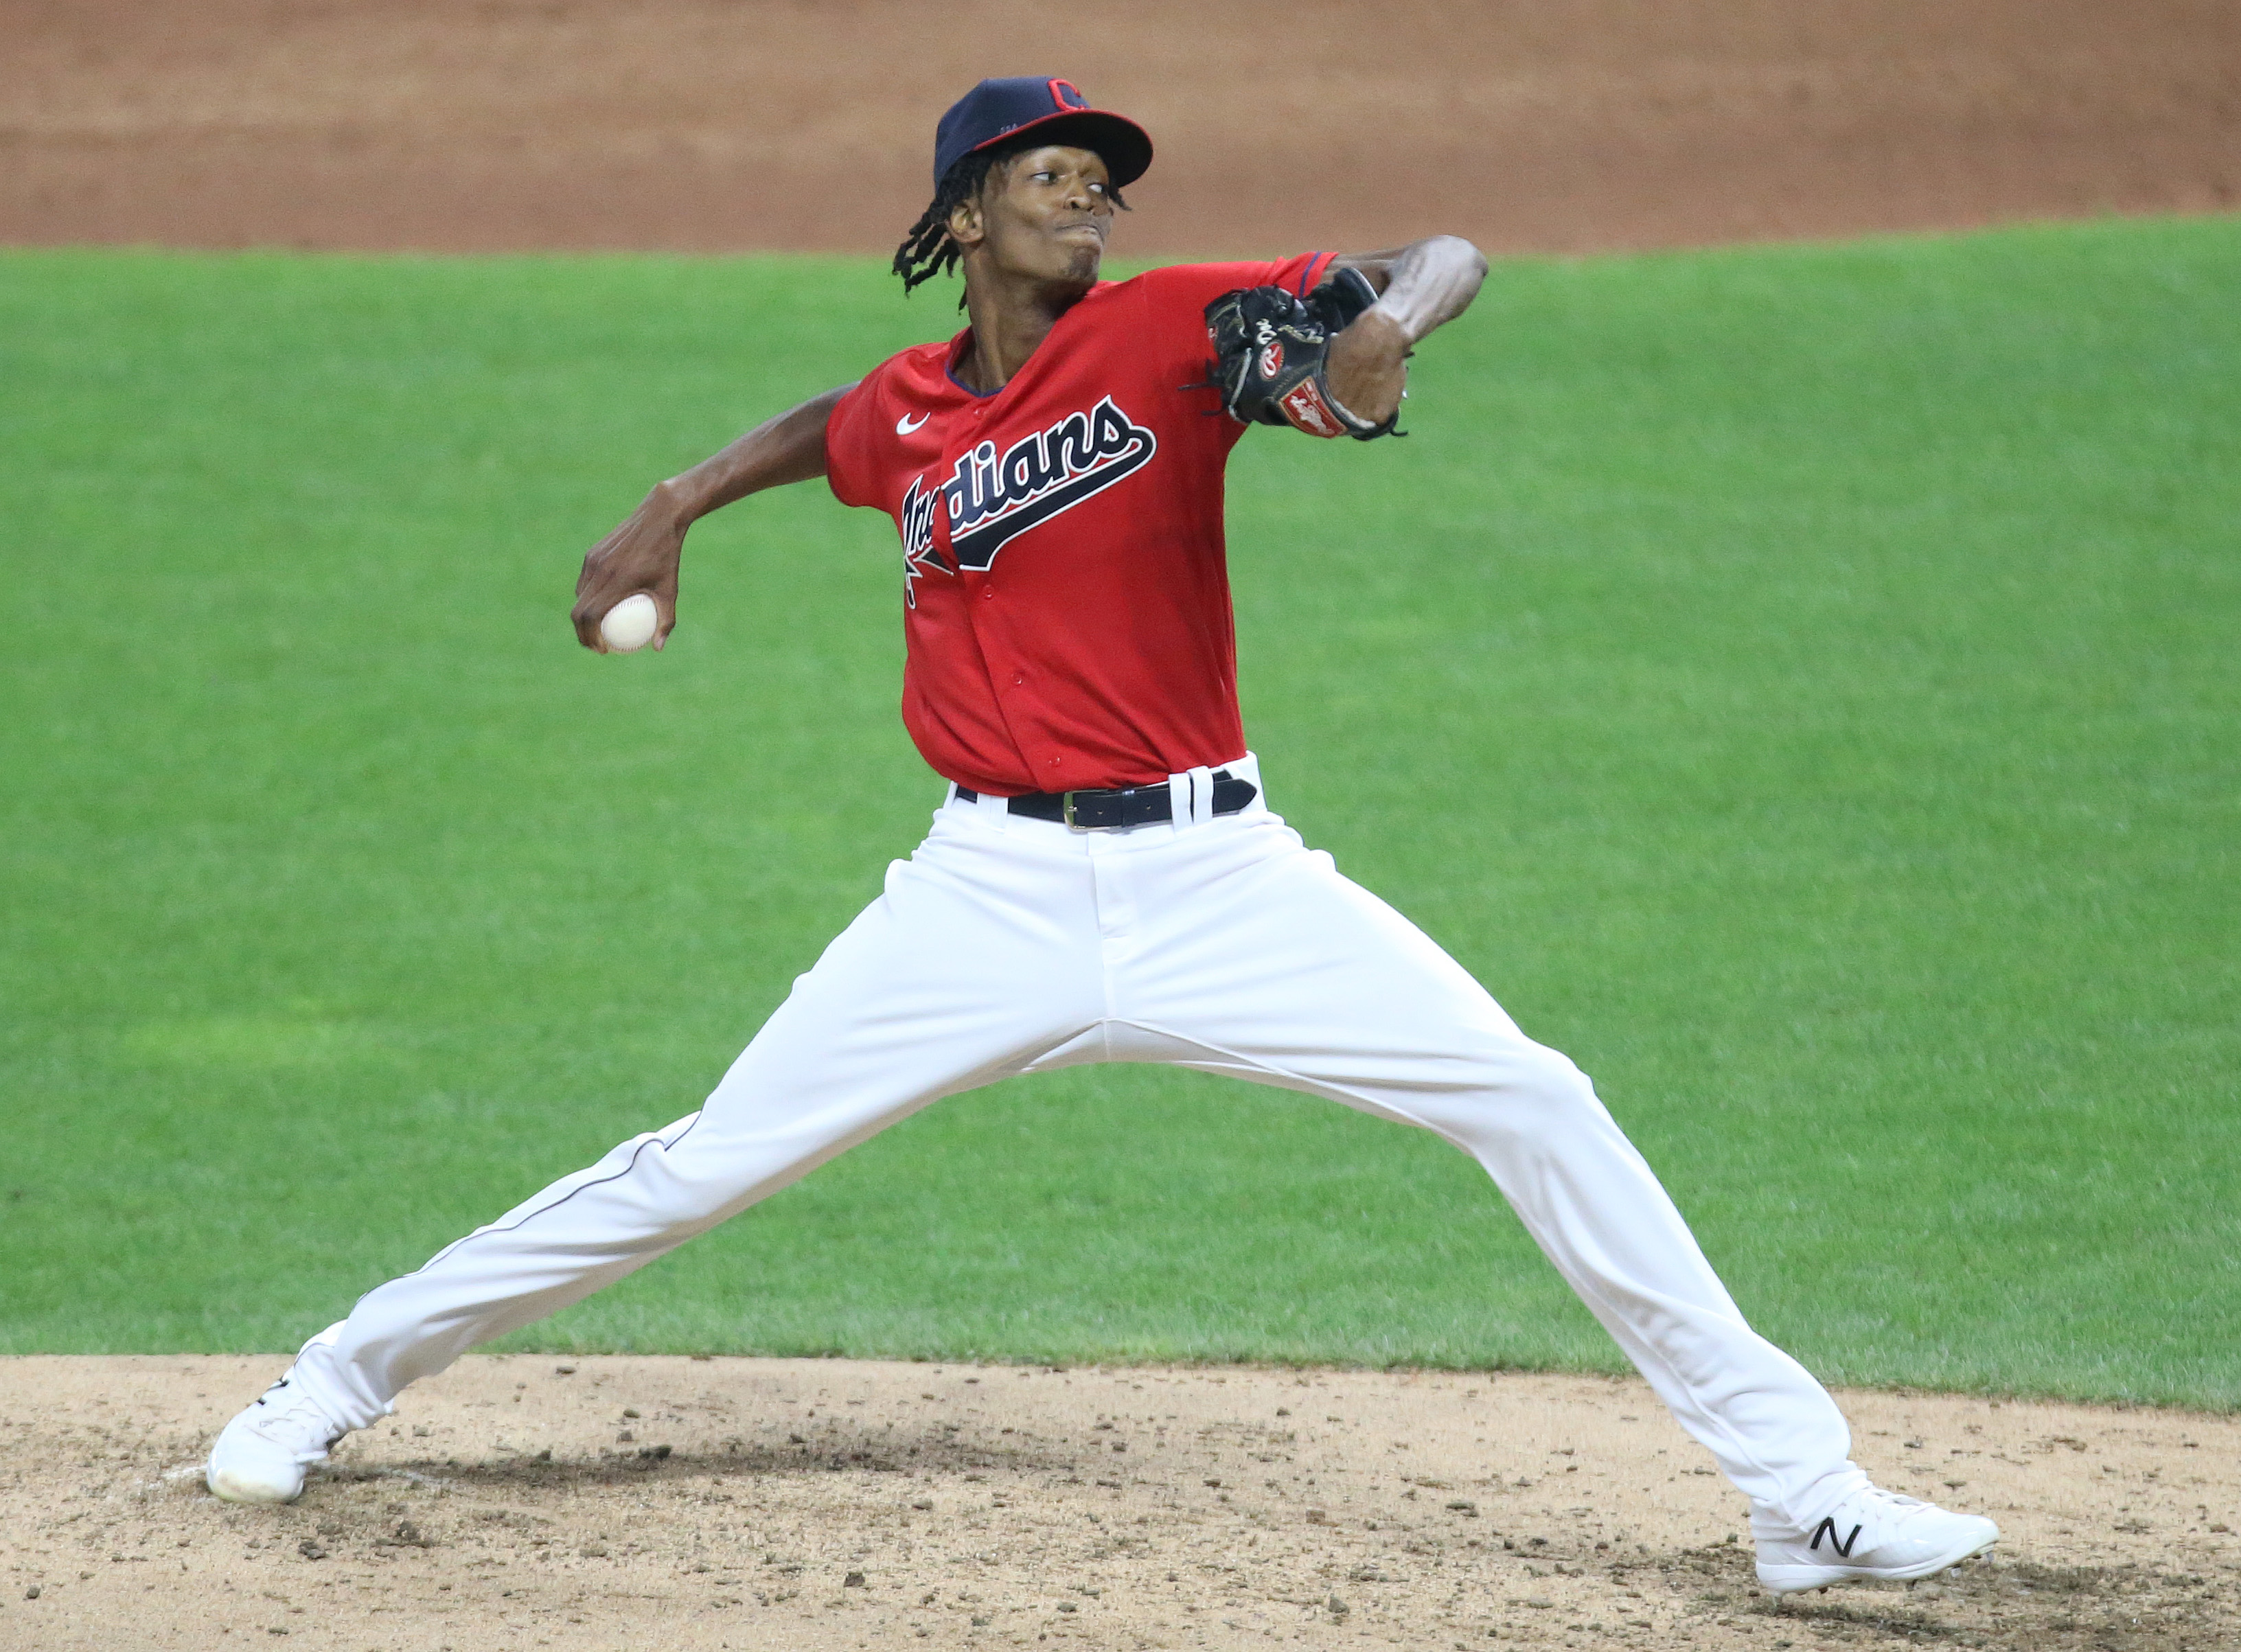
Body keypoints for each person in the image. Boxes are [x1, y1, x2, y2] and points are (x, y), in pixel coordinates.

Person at [205, 76, 1997, 1596]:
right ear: (964, 217)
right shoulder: (914, 407)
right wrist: (672, 505)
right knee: (697, 1169)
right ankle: (330, 1381)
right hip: (982, 894)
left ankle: (1799, 1499)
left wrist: (1390, 330)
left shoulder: (1174, 326)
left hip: (1222, 880)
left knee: (1533, 1098)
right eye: (1052, 174)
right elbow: (824, 435)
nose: (1094, 194)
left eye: (1106, 177)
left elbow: (1427, 262)